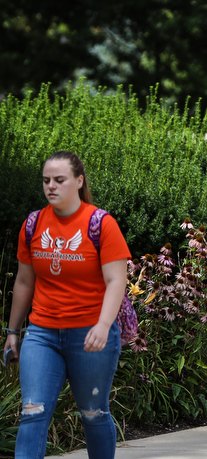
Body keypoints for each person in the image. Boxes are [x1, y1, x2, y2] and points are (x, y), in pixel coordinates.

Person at [3, 151, 131, 458]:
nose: (51, 186)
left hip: (89, 336)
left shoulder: (101, 224)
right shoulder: (33, 224)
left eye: (59, 180)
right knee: (32, 412)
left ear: (78, 181)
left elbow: (117, 280)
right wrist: (13, 330)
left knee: (93, 413)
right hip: (42, 334)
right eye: (46, 180)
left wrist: (102, 325)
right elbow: (23, 282)